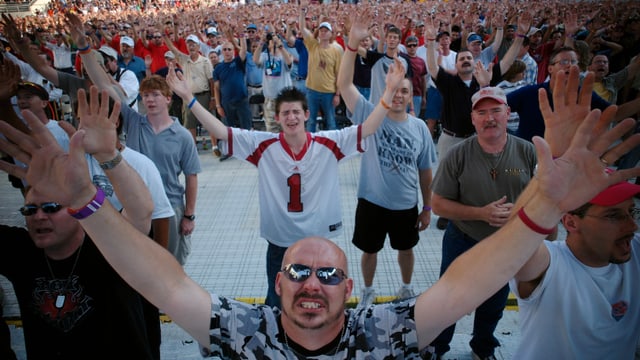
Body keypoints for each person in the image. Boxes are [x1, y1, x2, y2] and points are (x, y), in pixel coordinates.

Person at [1, 57, 638, 359]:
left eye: (330, 273)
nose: (312, 282)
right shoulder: (247, 332)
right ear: (276, 284)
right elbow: (160, 280)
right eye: (301, 273)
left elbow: (469, 281)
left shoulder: (380, 333)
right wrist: (84, 204)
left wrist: (544, 203)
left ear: (349, 292)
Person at [167, 49, 406, 309]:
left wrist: (389, 92)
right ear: (278, 118)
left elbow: (368, 127)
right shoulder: (264, 145)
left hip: (318, 241)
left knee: (320, 301)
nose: (291, 117)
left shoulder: (328, 143)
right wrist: (189, 98)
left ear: (306, 115)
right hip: (280, 244)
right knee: (278, 305)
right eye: (285, 113)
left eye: (296, 112)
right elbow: (221, 131)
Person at [0, 87, 160, 359]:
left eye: (52, 208)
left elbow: (141, 212)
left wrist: (108, 156)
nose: (39, 216)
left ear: (76, 208)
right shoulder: (21, 251)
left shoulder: (107, 249)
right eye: (30, 209)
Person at [69, 14, 201, 266]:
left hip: (170, 207)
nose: (149, 100)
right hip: (134, 203)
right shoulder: (133, 121)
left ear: (168, 99)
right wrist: (85, 49)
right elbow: (103, 85)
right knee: (136, 265)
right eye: (145, 95)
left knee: (170, 266)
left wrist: (189, 216)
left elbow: (191, 177)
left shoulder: (182, 135)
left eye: (155, 95)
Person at [425, 86, 537, 360]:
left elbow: (540, 196)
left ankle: (483, 347)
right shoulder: (458, 155)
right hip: (462, 239)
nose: (489, 118)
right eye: (482, 112)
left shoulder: (527, 152)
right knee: (449, 299)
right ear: (473, 118)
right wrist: (482, 213)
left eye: (496, 110)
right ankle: (437, 348)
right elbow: (438, 204)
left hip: (506, 245)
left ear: (508, 114)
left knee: (495, 301)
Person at [338, 14, 436, 307]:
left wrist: (428, 207)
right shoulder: (371, 113)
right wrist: (352, 45)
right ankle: (367, 290)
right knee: (369, 251)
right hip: (371, 201)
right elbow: (344, 84)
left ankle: (406, 288)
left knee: (406, 250)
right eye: (394, 89)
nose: (398, 95)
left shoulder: (419, 128)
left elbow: (426, 172)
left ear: (410, 97)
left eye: (404, 91)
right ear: (386, 90)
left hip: (406, 204)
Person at [299, 0, 342, 131]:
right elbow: (302, 28)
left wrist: (337, 94)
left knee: (330, 121)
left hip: (329, 92)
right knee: (311, 121)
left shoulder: (336, 50)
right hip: (312, 90)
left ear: (331, 34)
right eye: (321, 30)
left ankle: (332, 147)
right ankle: (309, 145)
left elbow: (338, 73)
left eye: (326, 30)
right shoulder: (312, 45)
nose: (323, 32)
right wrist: (302, 11)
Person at [164, 33, 215, 144]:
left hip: (204, 95)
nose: (191, 47)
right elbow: (172, 48)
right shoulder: (183, 60)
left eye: (193, 45)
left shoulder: (205, 61)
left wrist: (212, 98)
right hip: (189, 96)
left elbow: (211, 81)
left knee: (209, 122)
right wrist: (164, 35)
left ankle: (215, 146)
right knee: (190, 123)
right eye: (189, 44)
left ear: (198, 47)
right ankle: (193, 148)